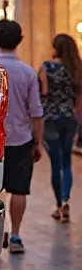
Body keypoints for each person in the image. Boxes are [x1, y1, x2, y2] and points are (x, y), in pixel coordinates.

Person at [0, 20, 44, 254]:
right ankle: (15, 235)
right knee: (19, 189)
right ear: (20, 41)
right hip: (21, 139)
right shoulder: (28, 72)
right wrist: (38, 142)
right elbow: (36, 112)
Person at [38, 34, 82, 222]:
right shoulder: (77, 68)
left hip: (50, 119)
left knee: (56, 164)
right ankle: (65, 200)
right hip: (69, 118)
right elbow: (78, 98)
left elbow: (44, 93)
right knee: (67, 163)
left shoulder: (46, 67)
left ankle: (58, 205)